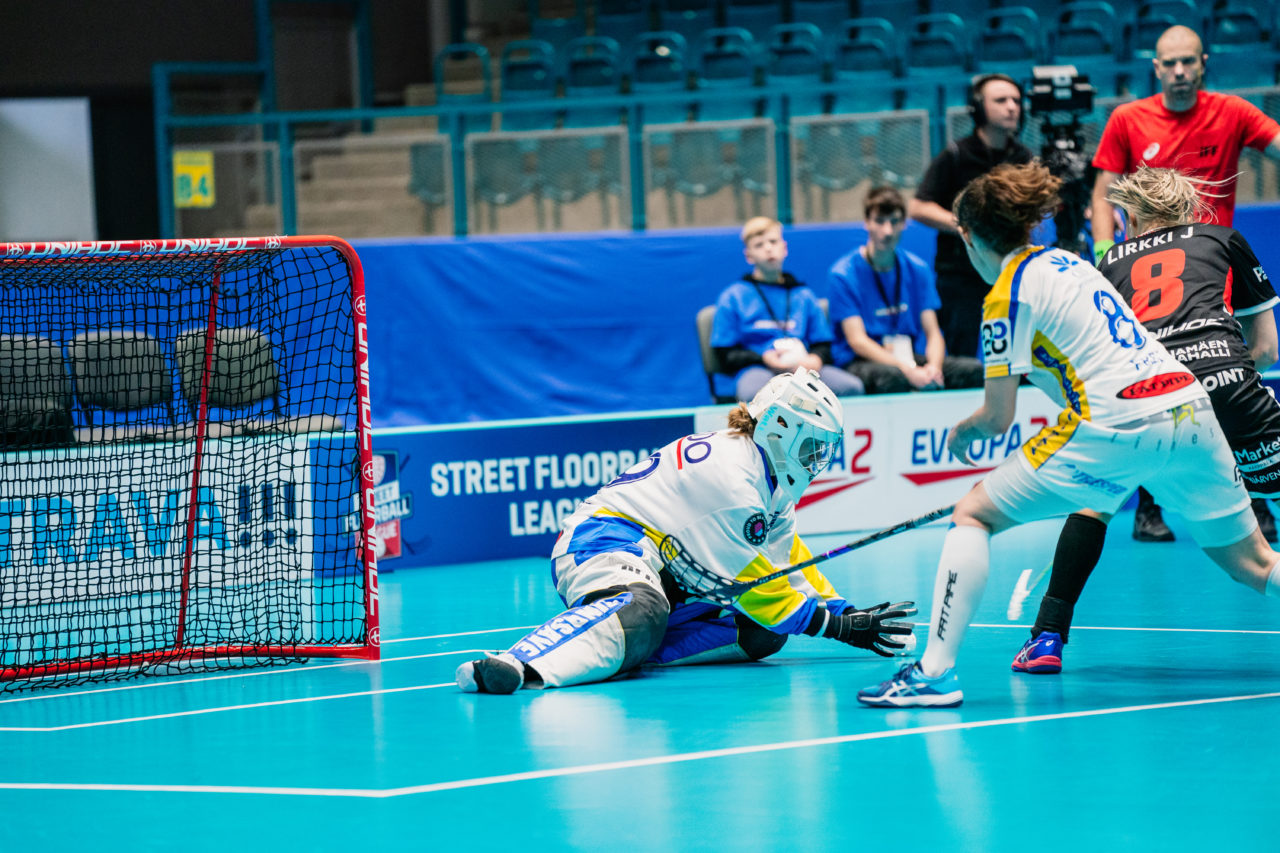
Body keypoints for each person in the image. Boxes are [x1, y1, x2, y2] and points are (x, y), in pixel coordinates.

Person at [856, 162, 1280, 708]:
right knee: (1256, 565)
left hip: (1117, 423)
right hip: (1189, 408)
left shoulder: (1005, 298)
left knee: (973, 515)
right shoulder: (1070, 264)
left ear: (968, 237)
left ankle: (933, 674)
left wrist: (960, 435)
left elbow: (997, 418)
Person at [456, 368, 916, 694]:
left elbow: (787, 563)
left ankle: (630, 646)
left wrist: (845, 608)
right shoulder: (733, 480)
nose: (819, 461)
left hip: (667, 566)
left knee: (762, 634)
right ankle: (522, 662)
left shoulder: (768, 481)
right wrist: (835, 627)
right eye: (814, 446)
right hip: (604, 541)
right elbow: (756, 586)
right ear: (780, 427)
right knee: (645, 609)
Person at [1011, 166, 1280, 674]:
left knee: (1094, 504)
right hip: (1227, 385)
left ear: (1131, 217)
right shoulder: (1223, 237)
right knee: (1257, 556)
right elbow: (1265, 348)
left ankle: (1047, 637)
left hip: (1144, 399)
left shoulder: (1109, 261)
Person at [1088, 24, 1280, 541]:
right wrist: (1110, 260)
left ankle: (1252, 498)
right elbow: (1103, 192)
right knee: (1159, 380)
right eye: (1169, 63)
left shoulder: (1234, 112)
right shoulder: (1129, 118)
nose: (1178, 72)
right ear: (1156, 68)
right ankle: (1152, 506)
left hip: (1218, 271)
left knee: (1227, 369)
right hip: (1146, 282)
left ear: (1203, 64)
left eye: (1187, 62)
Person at [909, 73, 1033, 359]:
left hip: (1009, 270)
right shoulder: (955, 155)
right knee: (960, 358)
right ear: (978, 108)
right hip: (959, 275)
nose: (1012, 107)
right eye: (1001, 100)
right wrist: (968, 227)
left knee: (1020, 354)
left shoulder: (1023, 157)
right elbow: (918, 207)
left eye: (1016, 100)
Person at [828, 186, 984, 394]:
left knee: (972, 371)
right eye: (880, 221)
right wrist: (908, 370)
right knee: (893, 379)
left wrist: (933, 368)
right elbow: (858, 342)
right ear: (867, 223)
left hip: (906, 357)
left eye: (894, 222)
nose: (887, 231)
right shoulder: (844, 274)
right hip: (861, 361)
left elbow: (932, 331)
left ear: (903, 224)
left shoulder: (916, 269)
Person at [710, 217, 864, 402]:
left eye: (773, 242)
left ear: (784, 248)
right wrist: (763, 358)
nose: (768, 248)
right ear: (749, 255)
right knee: (755, 394)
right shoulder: (733, 297)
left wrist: (816, 360)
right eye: (759, 245)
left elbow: (823, 345)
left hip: (803, 369)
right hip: (758, 369)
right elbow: (725, 354)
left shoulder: (804, 296)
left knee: (851, 387)